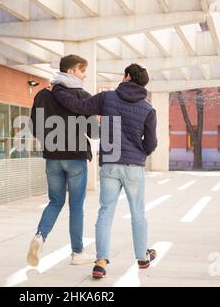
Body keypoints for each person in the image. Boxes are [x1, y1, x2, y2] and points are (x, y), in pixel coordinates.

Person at [52, 63, 158, 279]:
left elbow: (77, 106)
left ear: (127, 76)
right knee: (138, 213)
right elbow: (152, 143)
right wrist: (141, 152)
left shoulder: (107, 98)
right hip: (133, 167)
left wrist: (58, 89)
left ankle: (100, 262)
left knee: (105, 213)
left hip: (109, 164)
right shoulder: (148, 109)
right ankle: (142, 258)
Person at [26, 55, 98, 267]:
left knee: (55, 201)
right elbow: (93, 132)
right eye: (82, 71)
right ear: (71, 71)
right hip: (75, 159)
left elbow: (33, 126)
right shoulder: (83, 96)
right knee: (76, 206)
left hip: (53, 157)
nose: (85, 76)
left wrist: (50, 140)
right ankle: (77, 253)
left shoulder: (42, 95)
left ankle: (40, 236)